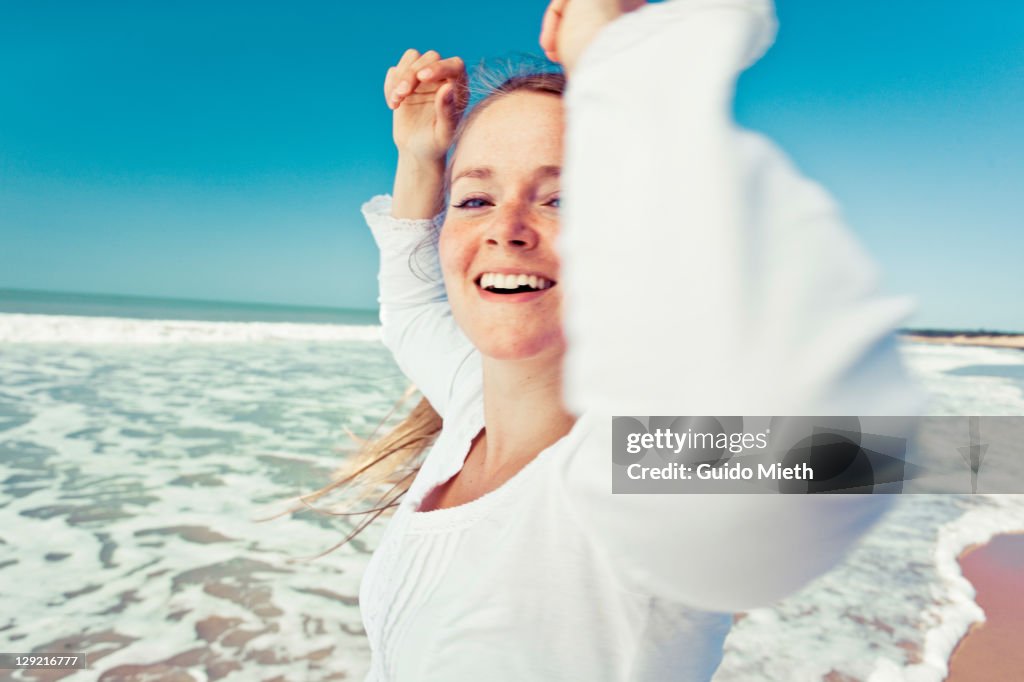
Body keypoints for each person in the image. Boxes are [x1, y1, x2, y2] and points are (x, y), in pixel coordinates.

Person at [348, 0, 924, 679]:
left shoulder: (636, 463)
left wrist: (615, 63)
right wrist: (419, 157)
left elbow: (874, 451)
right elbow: (409, 306)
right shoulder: (471, 404)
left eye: (562, 198)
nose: (505, 229)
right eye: (474, 199)